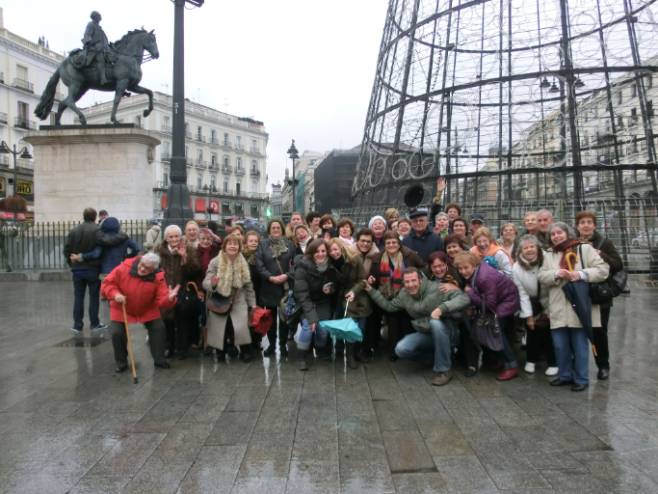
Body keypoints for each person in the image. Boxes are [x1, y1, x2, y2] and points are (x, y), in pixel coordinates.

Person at [365, 267, 470, 385]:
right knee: (401, 349)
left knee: (435, 323)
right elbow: (389, 306)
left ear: (420, 280)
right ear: (403, 283)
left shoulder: (436, 288)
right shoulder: (404, 294)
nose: (410, 285)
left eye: (413, 280)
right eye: (407, 282)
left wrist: (442, 308)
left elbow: (464, 298)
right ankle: (435, 358)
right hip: (427, 333)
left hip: (448, 333)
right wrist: (371, 290)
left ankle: (444, 370)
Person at [538, 222, 609, 391]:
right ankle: (565, 375)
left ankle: (582, 378)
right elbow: (541, 276)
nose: (556, 236)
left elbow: (603, 270)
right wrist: (556, 273)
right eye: (553, 234)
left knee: (580, 345)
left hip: (579, 307)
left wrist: (581, 274)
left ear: (567, 233)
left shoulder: (584, 249)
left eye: (559, 233)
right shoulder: (549, 254)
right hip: (557, 307)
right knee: (560, 345)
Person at [101, 253, 178, 372]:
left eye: (147, 268)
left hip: (148, 308)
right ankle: (121, 362)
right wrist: (115, 294)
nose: (142, 269)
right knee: (117, 332)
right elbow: (108, 283)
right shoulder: (123, 268)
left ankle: (159, 359)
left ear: (153, 270)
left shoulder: (158, 276)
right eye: (142, 265)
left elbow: (162, 299)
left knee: (159, 328)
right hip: (121, 306)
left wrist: (169, 298)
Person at [453, 251, 521, 381]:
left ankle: (511, 365)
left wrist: (470, 293)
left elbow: (489, 304)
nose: (463, 271)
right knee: (485, 328)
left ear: (474, 265)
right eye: (460, 269)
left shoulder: (484, 277)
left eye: (466, 267)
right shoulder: (477, 272)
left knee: (495, 331)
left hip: (507, 302)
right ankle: (498, 360)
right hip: (502, 301)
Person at [575, 211, 622, 381]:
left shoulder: (604, 243)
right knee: (576, 330)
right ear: (577, 226)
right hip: (579, 294)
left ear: (594, 225)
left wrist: (600, 254)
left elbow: (618, 265)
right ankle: (576, 365)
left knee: (599, 332)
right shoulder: (573, 243)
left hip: (599, 295)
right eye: (582, 222)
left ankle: (603, 365)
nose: (586, 225)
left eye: (589, 222)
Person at [370, 230, 426, 360]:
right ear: (384, 244)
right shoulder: (377, 258)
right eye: (388, 243)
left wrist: (417, 280)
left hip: (406, 294)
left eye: (394, 242)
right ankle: (392, 351)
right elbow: (373, 275)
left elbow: (422, 267)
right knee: (391, 322)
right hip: (386, 295)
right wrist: (371, 279)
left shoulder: (409, 255)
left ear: (399, 243)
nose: (391, 245)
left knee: (405, 322)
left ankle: (405, 349)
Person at [203, 233, 257, 362]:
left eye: (235, 244)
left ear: (239, 247)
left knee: (241, 326)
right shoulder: (215, 261)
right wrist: (213, 284)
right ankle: (220, 352)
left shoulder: (243, 262)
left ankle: (245, 351)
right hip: (219, 298)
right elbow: (205, 282)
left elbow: (248, 284)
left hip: (238, 298)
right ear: (224, 246)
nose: (233, 246)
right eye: (230, 244)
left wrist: (252, 303)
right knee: (219, 327)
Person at [512, 235, 557, 377]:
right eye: (525, 248)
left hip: (551, 298)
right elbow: (522, 293)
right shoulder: (516, 267)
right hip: (532, 301)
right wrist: (529, 316)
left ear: (537, 247)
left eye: (532, 246)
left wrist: (549, 311)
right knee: (532, 330)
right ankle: (531, 360)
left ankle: (553, 362)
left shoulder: (547, 259)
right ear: (520, 251)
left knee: (550, 333)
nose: (529, 250)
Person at [158, 224, 202, 359]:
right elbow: (153, 268)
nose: (174, 239)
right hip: (164, 289)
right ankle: (168, 347)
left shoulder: (188, 249)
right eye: (171, 237)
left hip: (183, 289)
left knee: (182, 319)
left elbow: (196, 271)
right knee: (167, 320)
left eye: (176, 236)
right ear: (166, 238)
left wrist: (184, 258)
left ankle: (182, 348)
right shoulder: (159, 250)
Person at [294, 239, 339, 370]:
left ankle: (319, 348)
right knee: (309, 327)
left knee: (323, 330)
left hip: (323, 302)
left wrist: (331, 288)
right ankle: (301, 356)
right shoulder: (302, 267)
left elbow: (337, 283)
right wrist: (312, 317)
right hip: (306, 302)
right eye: (317, 251)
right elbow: (302, 294)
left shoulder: (330, 266)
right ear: (311, 253)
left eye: (323, 251)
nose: (320, 254)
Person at [255, 219, 295, 358]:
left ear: (282, 229)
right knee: (270, 319)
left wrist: (287, 275)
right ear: (269, 230)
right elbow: (259, 264)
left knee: (284, 319)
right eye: (273, 228)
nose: (276, 230)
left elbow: (295, 263)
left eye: (278, 227)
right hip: (269, 287)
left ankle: (282, 345)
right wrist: (270, 277)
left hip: (285, 287)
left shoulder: (289, 244)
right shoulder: (263, 244)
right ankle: (272, 345)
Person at [329, 238, 371, 369]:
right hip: (341, 298)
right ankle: (349, 355)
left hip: (358, 296)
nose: (333, 253)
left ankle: (357, 351)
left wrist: (354, 291)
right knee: (349, 326)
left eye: (335, 249)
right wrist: (330, 288)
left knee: (361, 327)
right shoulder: (329, 264)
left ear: (341, 248)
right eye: (330, 250)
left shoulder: (355, 259)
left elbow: (363, 280)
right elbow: (332, 282)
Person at [63, 207, 105, 335]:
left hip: (77, 269)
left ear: (84, 216)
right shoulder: (98, 230)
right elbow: (101, 250)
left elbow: (66, 249)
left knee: (78, 297)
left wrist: (72, 263)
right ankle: (94, 323)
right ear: (95, 217)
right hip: (93, 268)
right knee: (94, 297)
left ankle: (77, 325)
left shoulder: (74, 230)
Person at [71, 216, 140, 278]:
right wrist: (126, 257)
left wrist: (80, 256)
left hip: (106, 271)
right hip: (121, 268)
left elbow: (95, 254)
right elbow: (136, 249)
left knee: (107, 288)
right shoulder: (124, 238)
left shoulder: (102, 240)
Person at [82, 11, 109, 85]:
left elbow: (103, 38)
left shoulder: (99, 27)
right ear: (95, 17)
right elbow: (87, 35)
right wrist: (91, 43)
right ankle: (102, 78)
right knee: (100, 59)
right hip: (94, 48)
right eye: (99, 16)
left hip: (102, 47)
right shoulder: (90, 24)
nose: (100, 18)